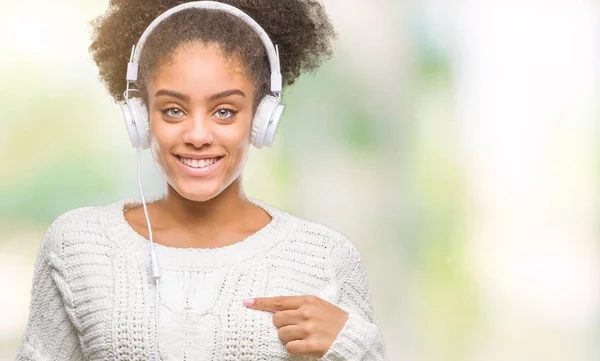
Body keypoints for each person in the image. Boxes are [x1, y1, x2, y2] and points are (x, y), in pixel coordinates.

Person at [15, 1, 386, 360]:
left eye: (224, 111)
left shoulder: (323, 256)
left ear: (261, 119)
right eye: (173, 110)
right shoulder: (78, 245)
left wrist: (354, 347)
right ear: (141, 119)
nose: (197, 134)